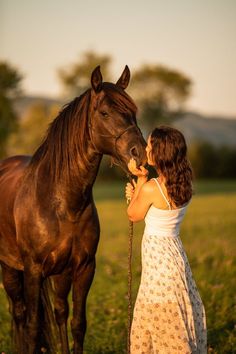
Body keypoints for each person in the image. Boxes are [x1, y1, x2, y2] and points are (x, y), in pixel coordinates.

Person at [125, 126, 207, 354]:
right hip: (175, 255)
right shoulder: (184, 184)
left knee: (160, 310)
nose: (146, 148)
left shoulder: (153, 188)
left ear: (160, 152)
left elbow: (133, 214)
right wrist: (141, 187)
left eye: (150, 145)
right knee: (174, 304)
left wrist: (140, 179)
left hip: (159, 261)